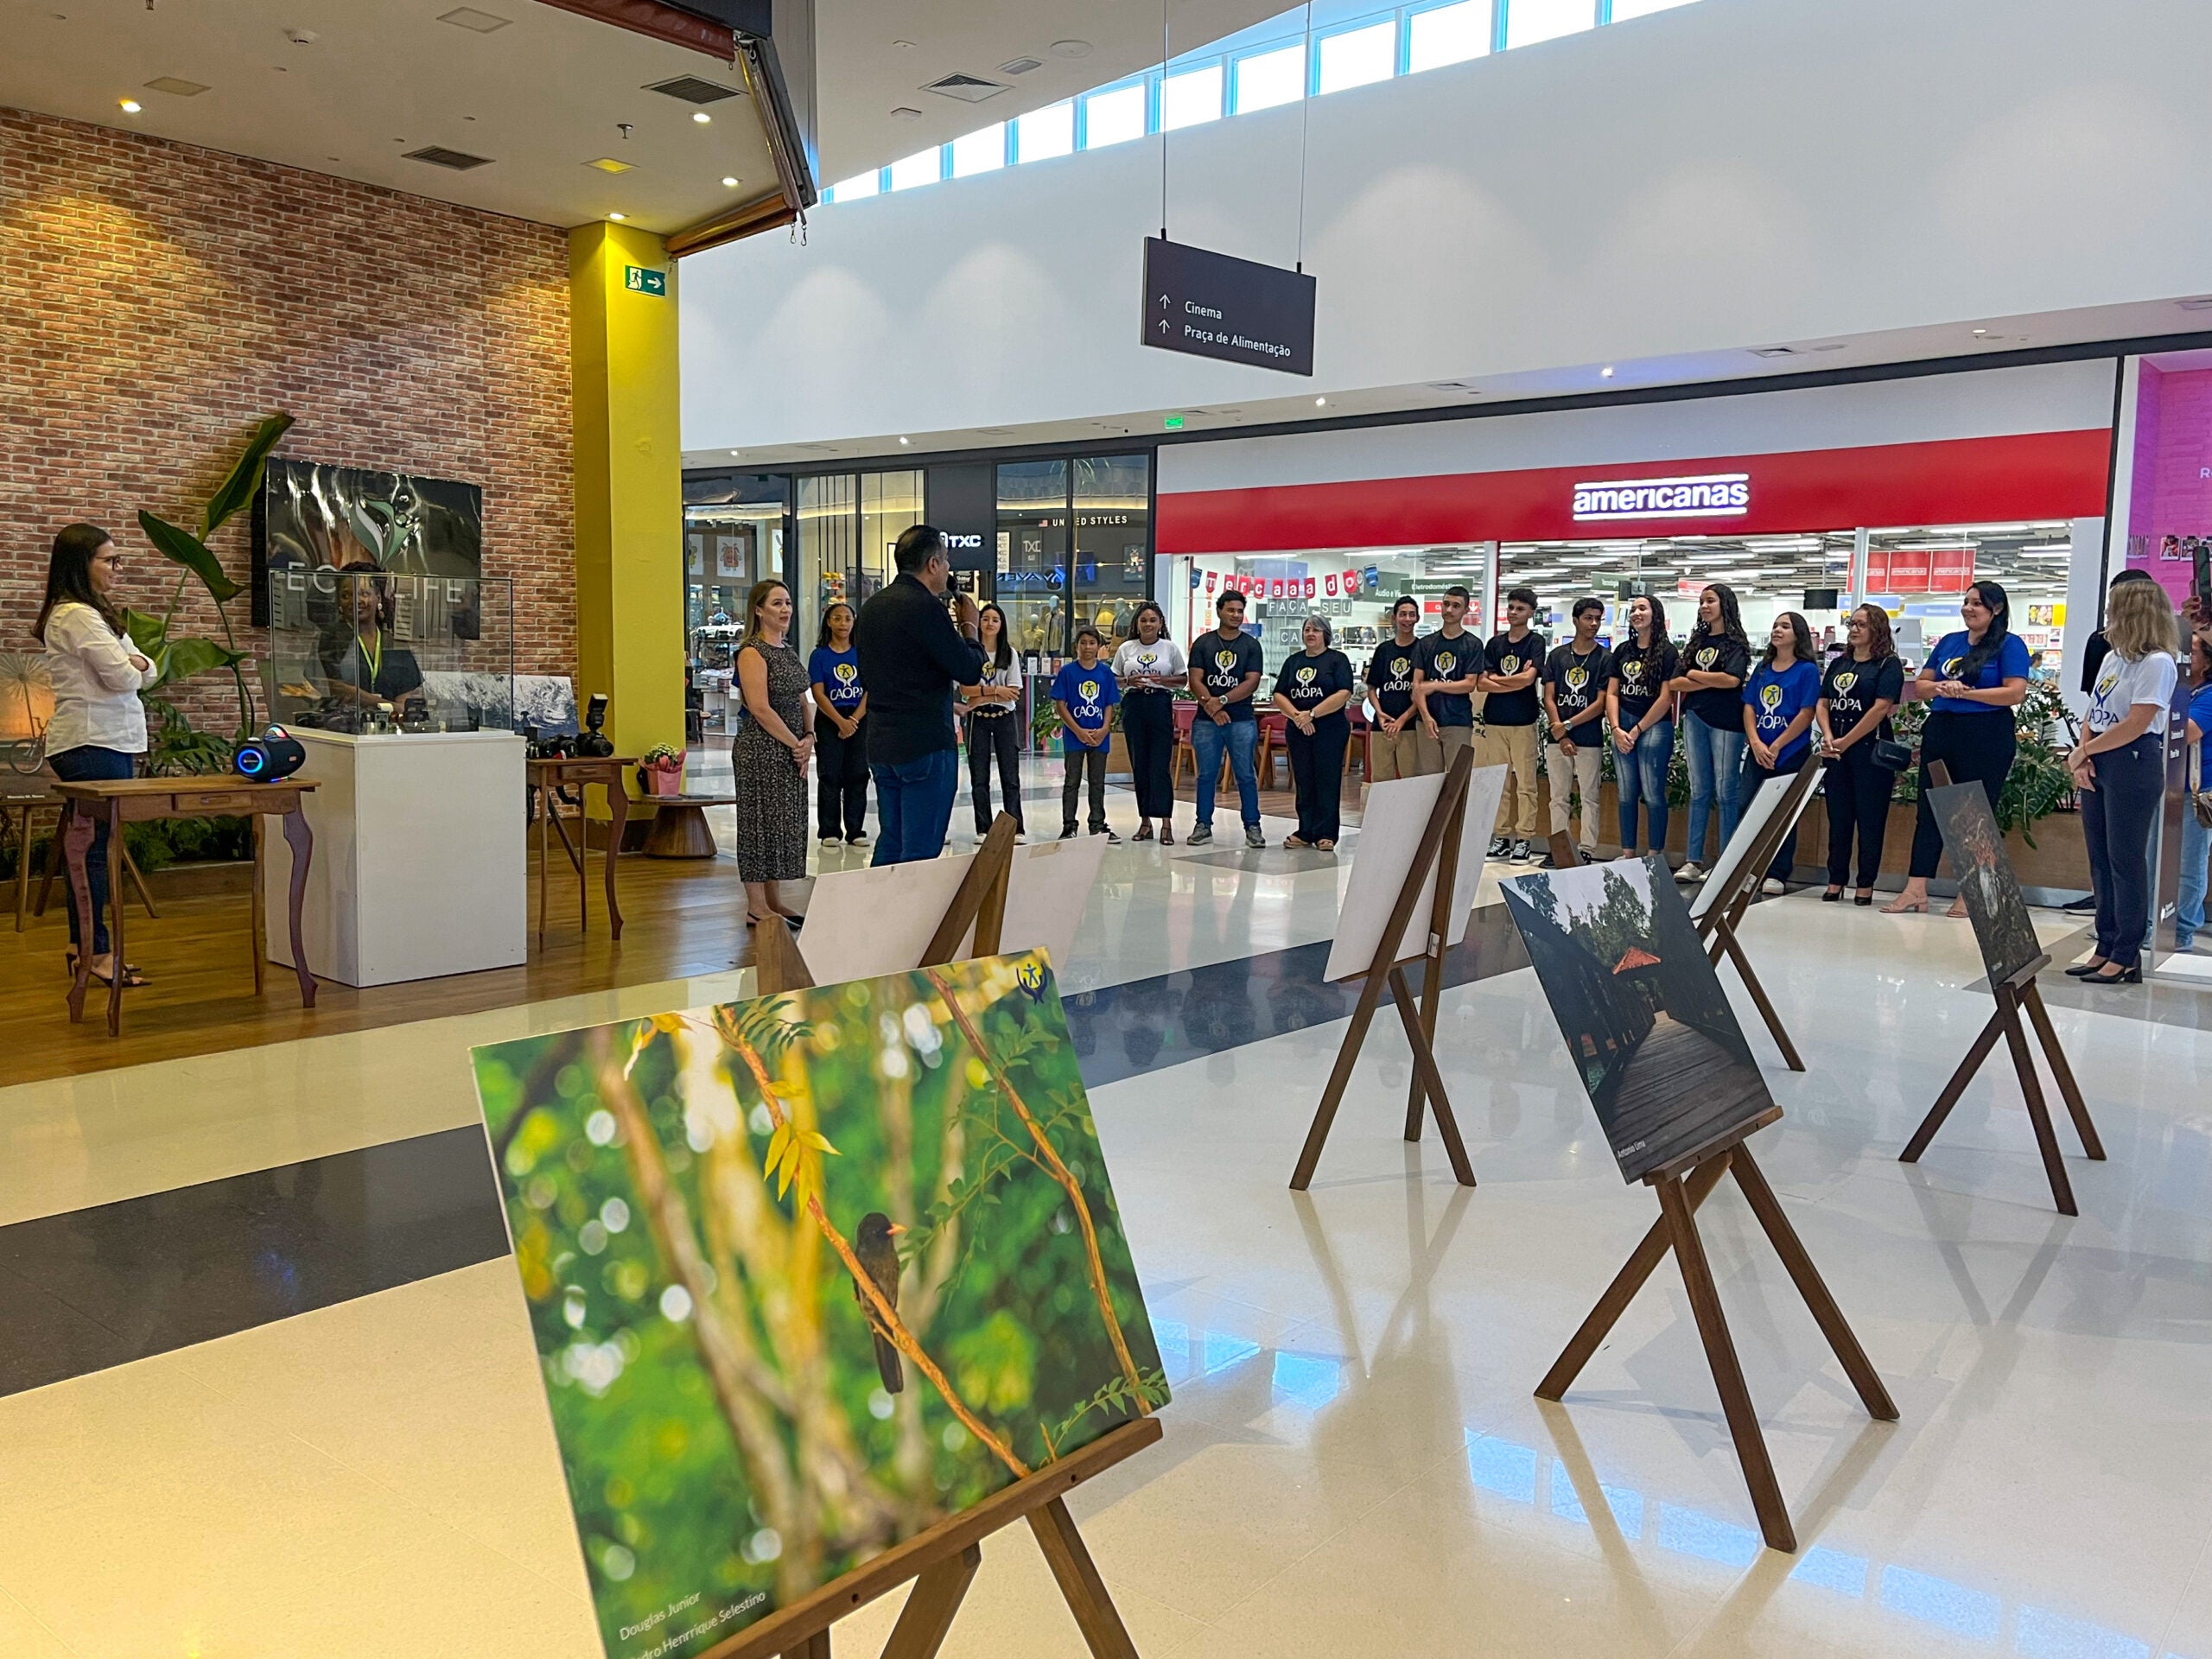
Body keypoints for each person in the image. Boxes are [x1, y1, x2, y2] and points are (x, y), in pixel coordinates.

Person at [38, 524, 153, 988]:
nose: (116, 569)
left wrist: (136, 665)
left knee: (92, 849)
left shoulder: (94, 613)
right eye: (108, 560)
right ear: (80, 564)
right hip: (91, 741)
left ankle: (83, 947)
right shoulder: (77, 617)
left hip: (106, 739)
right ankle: (97, 952)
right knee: (94, 853)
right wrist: (135, 666)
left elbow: (148, 666)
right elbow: (126, 678)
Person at [1884, 581, 2031, 915]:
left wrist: (1964, 693)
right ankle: (1916, 888)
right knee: (1931, 809)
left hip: (1986, 733)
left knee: (1976, 814)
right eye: (1965, 602)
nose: (1968, 608)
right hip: (1942, 729)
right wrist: (1941, 688)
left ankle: (1973, 891)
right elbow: (1921, 687)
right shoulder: (1950, 642)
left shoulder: (2009, 645)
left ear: (1996, 609)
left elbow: (2014, 693)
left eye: (1977, 603)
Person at [2065, 579, 2179, 984]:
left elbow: (2138, 722)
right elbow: (2093, 711)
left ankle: (2127, 951)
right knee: (2100, 860)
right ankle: (2106, 943)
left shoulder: (2158, 663)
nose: (2109, 616)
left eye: (2115, 608)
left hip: (2132, 761)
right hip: (2099, 757)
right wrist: (2083, 752)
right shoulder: (2113, 657)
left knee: (2125, 861)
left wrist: (2088, 752)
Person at [853, 524, 984, 865]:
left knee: (892, 841)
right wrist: (970, 627)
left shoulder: (872, 608)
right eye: (946, 561)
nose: (948, 569)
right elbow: (968, 670)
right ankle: (911, 918)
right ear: (932, 565)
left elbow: (873, 674)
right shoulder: (926, 607)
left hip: (882, 741)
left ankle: (878, 915)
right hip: (924, 743)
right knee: (921, 850)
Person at [732, 580, 812, 929]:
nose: (785, 610)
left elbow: (802, 698)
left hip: (790, 748)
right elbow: (760, 708)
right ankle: (755, 906)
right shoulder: (752, 652)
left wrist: (809, 737)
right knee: (757, 825)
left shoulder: (788, 652)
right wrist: (795, 743)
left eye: (788, 603)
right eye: (777, 603)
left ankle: (774, 900)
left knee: (781, 825)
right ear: (759, 610)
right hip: (760, 751)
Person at [1816, 603, 1905, 906]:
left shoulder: (1887, 664)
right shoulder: (1839, 664)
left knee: (1870, 820)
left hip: (1870, 752)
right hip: (1836, 751)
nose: (1854, 630)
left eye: (1861, 625)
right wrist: (1830, 737)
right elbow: (1822, 702)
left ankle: (1865, 883)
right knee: (1838, 818)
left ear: (1877, 629)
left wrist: (1848, 740)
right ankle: (1836, 879)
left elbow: (1881, 708)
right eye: (1851, 624)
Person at [1669, 582, 1752, 883]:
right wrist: (1707, 680)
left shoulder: (1736, 645)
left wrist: (1693, 675)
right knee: (1699, 791)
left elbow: (1732, 680)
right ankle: (1693, 860)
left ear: (1725, 605)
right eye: (1702, 602)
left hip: (1727, 722)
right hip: (1696, 718)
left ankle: (1727, 861)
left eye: (1711, 601)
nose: (1705, 606)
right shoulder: (1696, 642)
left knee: (1726, 791)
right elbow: (1674, 684)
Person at [1739, 612, 1822, 894]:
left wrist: (1776, 746)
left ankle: (1777, 872)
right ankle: (1748, 869)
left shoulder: (1807, 671)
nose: (1777, 630)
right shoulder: (1762, 670)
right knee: (1747, 808)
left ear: (1797, 634)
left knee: (1783, 814)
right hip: (1758, 751)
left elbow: (1806, 712)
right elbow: (1749, 706)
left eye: (1784, 626)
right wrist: (1756, 743)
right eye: (1775, 625)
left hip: (1790, 753)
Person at [1185, 589, 1266, 848]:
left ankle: (1253, 826)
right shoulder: (1203, 643)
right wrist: (1212, 708)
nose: (1235, 615)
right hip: (1206, 721)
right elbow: (1194, 679)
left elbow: (1251, 682)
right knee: (1207, 775)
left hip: (1241, 719)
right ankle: (1203, 825)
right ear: (1219, 611)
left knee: (1245, 774)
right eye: (1231, 610)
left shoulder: (1251, 645)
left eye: (1240, 611)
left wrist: (1221, 702)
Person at [1272, 614, 1354, 849]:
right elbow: (1279, 694)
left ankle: (1326, 833)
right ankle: (1306, 830)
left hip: (1329, 730)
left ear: (1325, 634)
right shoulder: (1293, 661)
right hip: (1298, 729)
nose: (1310, 634)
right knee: (1304, 780)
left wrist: (1313, 714)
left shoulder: (1337, 660)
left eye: (1316, 630)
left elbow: (1343, 693)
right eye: (1307, 629)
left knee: (1327, 780)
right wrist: (1298, 717)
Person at [1607, 594, 1679, 861]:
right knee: (1626, 793)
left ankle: (1653, 853)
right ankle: (1628, 853)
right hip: (1622, 725)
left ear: (1655, 614)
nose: (1636, 613)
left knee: (1652, 792)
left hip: (1654, 726)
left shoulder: (1668, 652)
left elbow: (1666, 698)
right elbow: (1612, 693)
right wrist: (1616, 728)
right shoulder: (1622, 651)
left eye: (1642, 608)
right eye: (1633, 609)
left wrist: (1637, 730)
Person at [1477, 588, 1547, 861]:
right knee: (1499, 783)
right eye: (1511, 607)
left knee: (1526, 784)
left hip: (1524, 720)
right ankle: (1501, 836)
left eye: (1520, 608)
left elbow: (1529, 681)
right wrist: (1515, 679)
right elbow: (1481, 683)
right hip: (1495, 720)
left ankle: (1525, 838)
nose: (1513, 612)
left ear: (1531, 612)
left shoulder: (1536, 642)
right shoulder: (1495, 644)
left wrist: (1499, 681)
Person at [1541, 597, 1609, 865]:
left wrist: (1569, 726)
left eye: (1598, 619)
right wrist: (1560, 732)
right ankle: (1560, 847)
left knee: (1589, 795)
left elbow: (1601, 702)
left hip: (1588, 737)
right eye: (1588, 618)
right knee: (1558, 796)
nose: (1593, 624)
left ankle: (1586, 849)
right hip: (1557, 737)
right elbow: (1549, 697)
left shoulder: (1605, 658)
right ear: (1576, 619)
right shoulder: (1558, 655)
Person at [1112, 601, 1185, 842]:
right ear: (1137, 624)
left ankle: (1166, 823)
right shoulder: (1126, 649)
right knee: (1140, 765)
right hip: (1134, 705)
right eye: (1143, 620)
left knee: (1160, 765)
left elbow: (1183, 680)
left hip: (1159, 704)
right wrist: (1128, 682)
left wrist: (1162, 680)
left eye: (1153, 620)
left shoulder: (1170, 648)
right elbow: (1114, 680)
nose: (1148, 624)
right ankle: (1145, 822)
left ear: (1160, 623)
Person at [958, 602, 1024, 841]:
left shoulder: (1010, 653)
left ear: (1001, 624)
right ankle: (983, 827)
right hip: (978, 719)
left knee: (1010, 775)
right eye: (985, 619)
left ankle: (1016, 827)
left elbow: (1014, 691)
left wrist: (983, 693)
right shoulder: (972, 654)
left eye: (995, 620)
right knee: (979, 776)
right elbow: (966, 689)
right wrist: (997, 691)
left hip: (1004, 718)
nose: (989, 624)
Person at [807, 601, 868, 846]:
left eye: (847, 618)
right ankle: (829, 830)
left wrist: (853, 720)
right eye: (837, 618)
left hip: (859, 719)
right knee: (830, 775)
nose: (843, 623)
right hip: (829, 719)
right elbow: (818, 693)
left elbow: (869, 689)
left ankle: (856, 830)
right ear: (829, 622)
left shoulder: (863, 652)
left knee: (858, 774)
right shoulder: (819, 655)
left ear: (854, 623)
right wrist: (840, 722)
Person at [322, 561, 423, 708]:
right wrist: (389, 706)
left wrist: (360, 697)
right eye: (346, 595)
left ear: (379, 598)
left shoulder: (394, 644)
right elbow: (328, 689)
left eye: (364, 594)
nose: (355, 601)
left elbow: (403, 707)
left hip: (390, 727)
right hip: (343, 725)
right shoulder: (330, 639)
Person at [1052, 628, 1121, 842]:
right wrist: (1078, 731)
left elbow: (1110, 704)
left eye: (1092, 643)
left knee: (1097, 782)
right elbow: (1061, 705)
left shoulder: (1105, 673)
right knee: (1072, 781)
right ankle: (1069, 825)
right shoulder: (1067, 672)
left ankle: (1098, 825)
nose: (1087, 647)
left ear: (1098, 646)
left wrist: (1104, 729)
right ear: (1077, 646)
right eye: (1083, 643)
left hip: (1099, 737)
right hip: (1075, 737)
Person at [1412, 585, 1479, 777]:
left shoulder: (1472, 644)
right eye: (1446, 604)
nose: (1449, 610)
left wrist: (1434, 685)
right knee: (1427, 781)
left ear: (1466, 610)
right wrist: (1425, 717)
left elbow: (1469, 684)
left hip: (1458, 720)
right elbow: (1417, 686)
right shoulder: (1426, 644)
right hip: (1427, 720)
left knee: (1458, 779)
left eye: (1456, 606)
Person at [1363, 597, 1428, 782]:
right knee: (1381, 781)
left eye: (1411, 615)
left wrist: (1402, 719)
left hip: (1411, 726)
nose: (1407, 619)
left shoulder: (1422, 649)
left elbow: (1422, 691)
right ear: (1394, 618)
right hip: (1382, 727)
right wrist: (1380, 713)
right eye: (1403, 614)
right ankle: (1382, 813)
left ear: (1417, 618)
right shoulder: (1383, 650)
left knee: (1411, 780)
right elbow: (1372, 689)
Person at [2177, 627, 2212, 952]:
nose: (2186, 657)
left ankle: (2183, 930)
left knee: (2190, 863)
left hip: (2198, 792)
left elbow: (2187, 731)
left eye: (2194, 652)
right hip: (2170, 787)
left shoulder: (2209, 695)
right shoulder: (2181, 691)